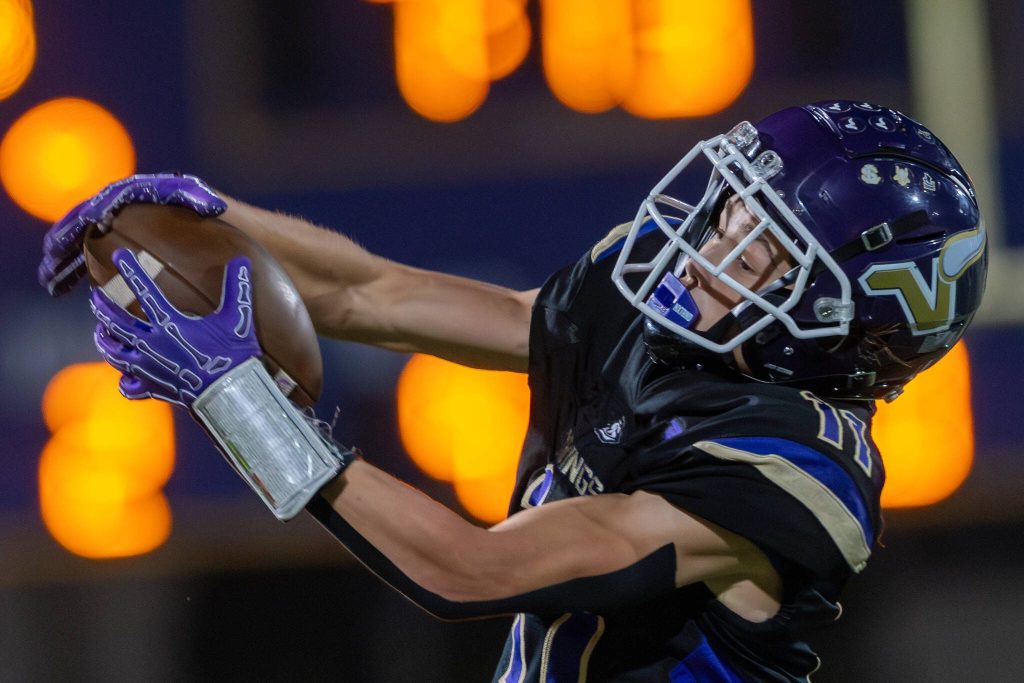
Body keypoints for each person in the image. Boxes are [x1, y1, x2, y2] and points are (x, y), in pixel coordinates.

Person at [39, 100, 987, 681]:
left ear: (837, 316)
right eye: (733, 204)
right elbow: (378, 294)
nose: (709, 245)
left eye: (760, 245)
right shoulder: (658, 298)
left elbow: (470, 571)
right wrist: (207, 214)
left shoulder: (794, 470)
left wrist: (240, 398)